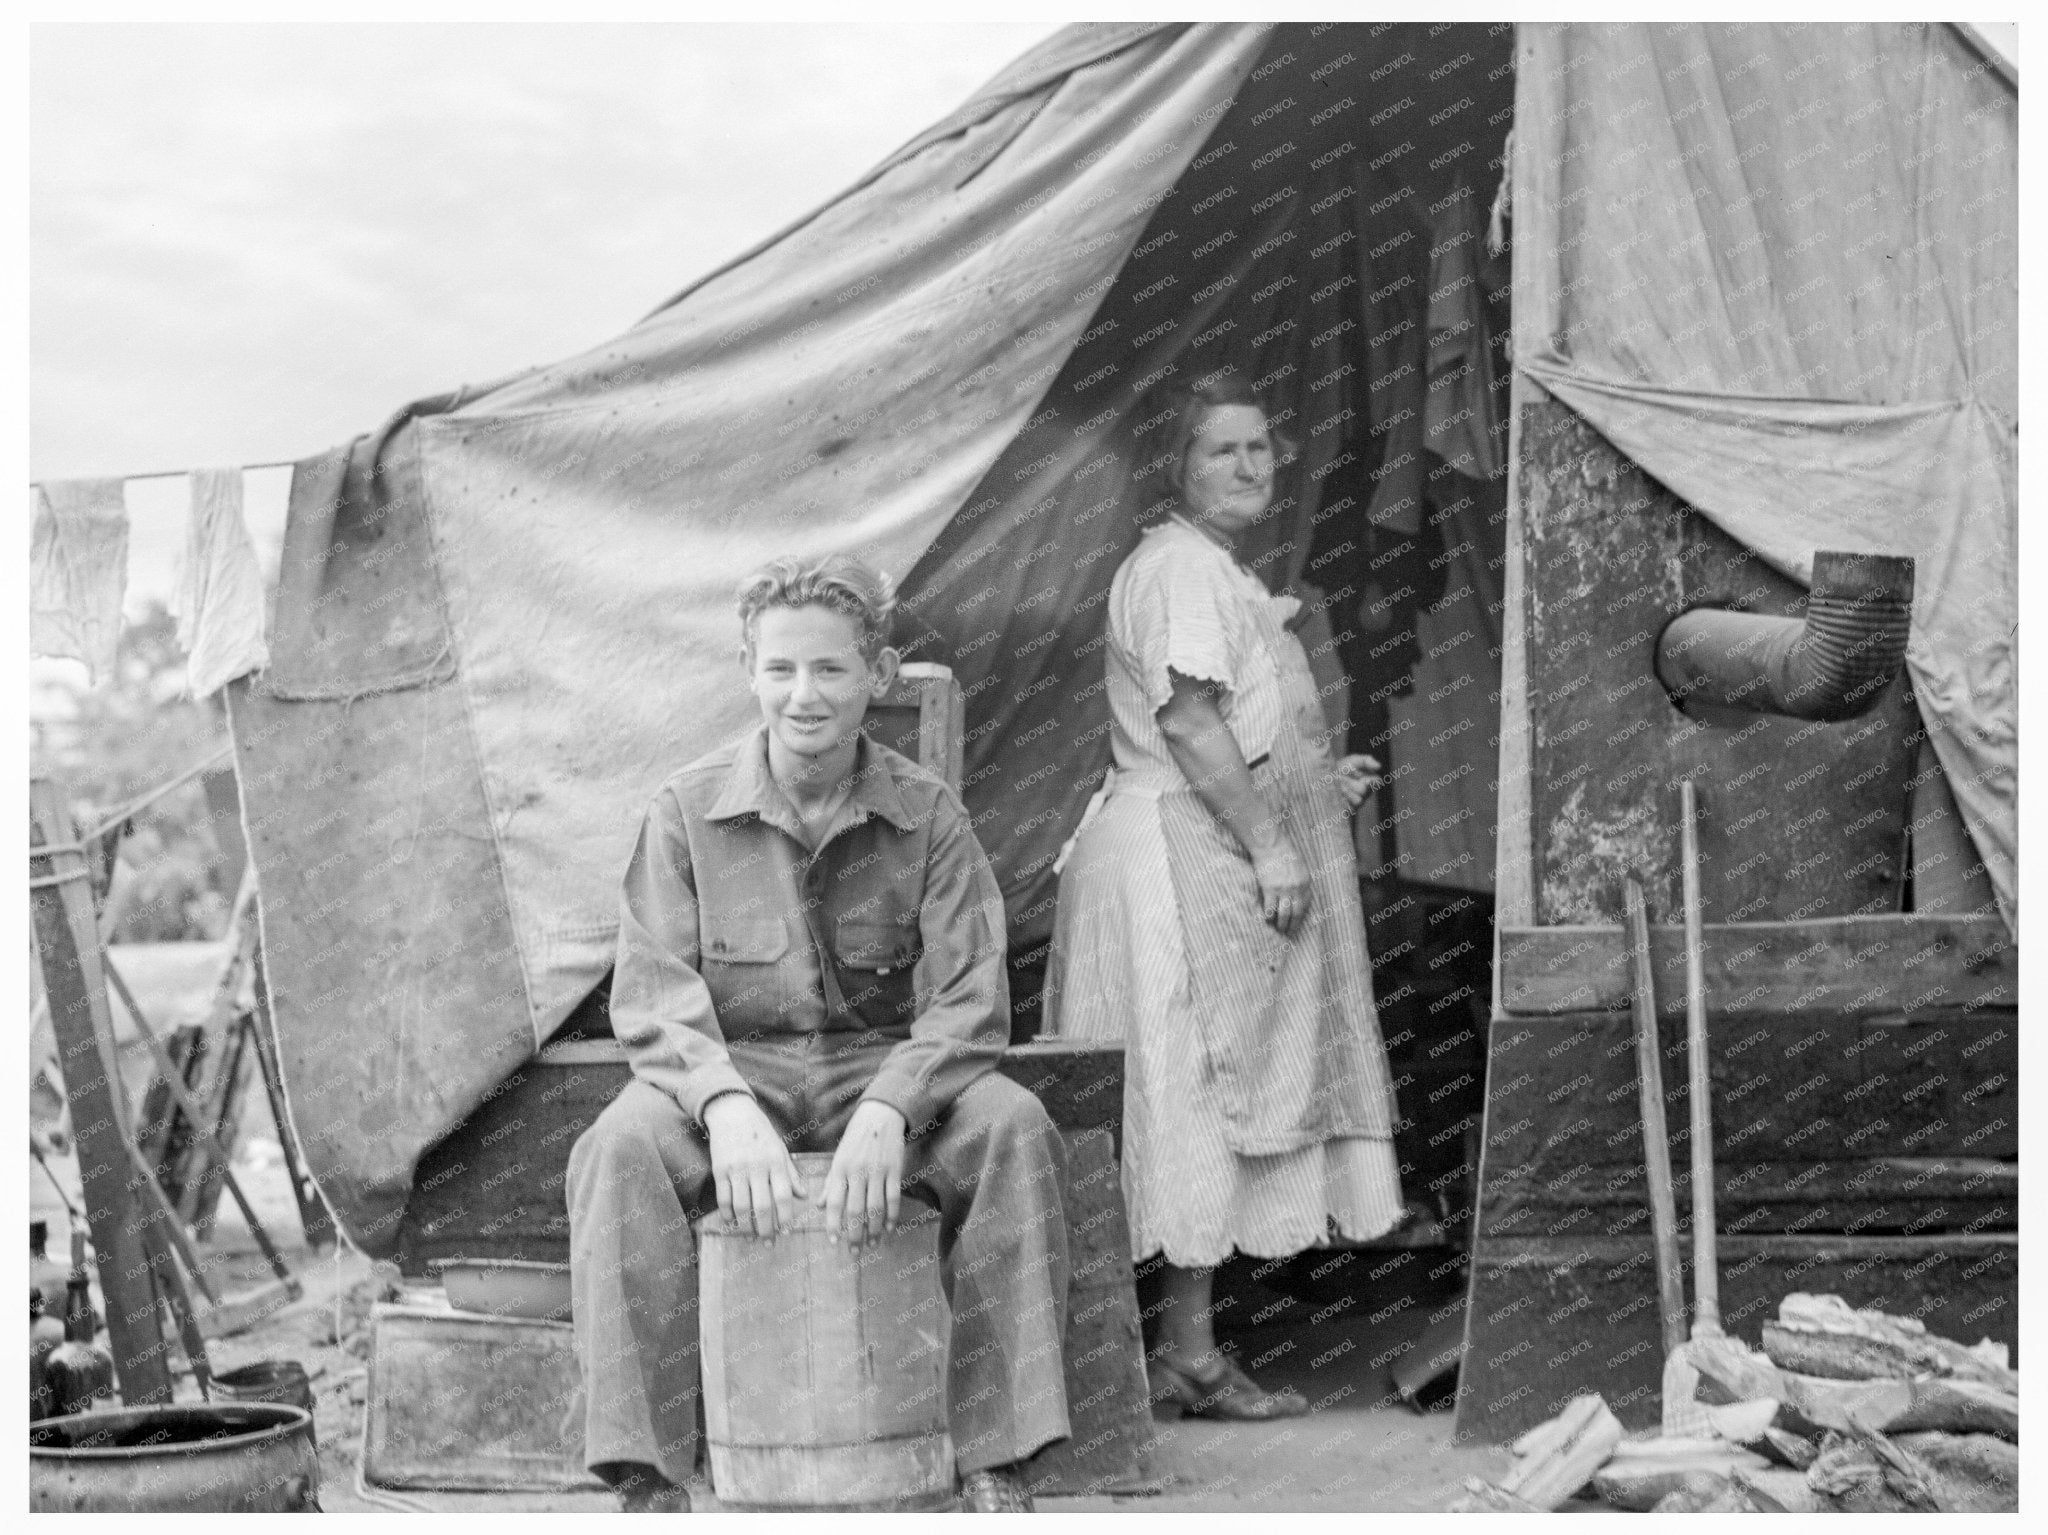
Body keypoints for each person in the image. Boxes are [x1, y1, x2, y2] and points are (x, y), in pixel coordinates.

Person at [568, 555, 1070, 1512]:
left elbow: (970, 993)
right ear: (749, 673)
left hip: (884, 1073)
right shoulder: (684, 811)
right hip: (733, 1073)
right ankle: (648, 1472)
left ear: (876, 677)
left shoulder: (929, 816)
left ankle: (996, 1458)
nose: (805, 695)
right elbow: (653, 991)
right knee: (617, 1149)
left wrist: (895, 1101)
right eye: (782, 669)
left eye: (832, 669)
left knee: (1013, 1126)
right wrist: (719, 1103)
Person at [1044, 368, 1404, 1420]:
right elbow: (1191, 722)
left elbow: (1234, 727)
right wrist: (1270, 845)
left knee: (1206, 1092)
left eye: (1259, 447)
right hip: (1177, 863)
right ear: (1175, 466)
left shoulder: (1211, 569)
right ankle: (1177, 1359)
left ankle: (1184, 1350)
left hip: (1199, 841)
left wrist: (1305, 788)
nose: (1251, 466)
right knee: (1194, 1092)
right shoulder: (1177, 569)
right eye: (1221, 450)